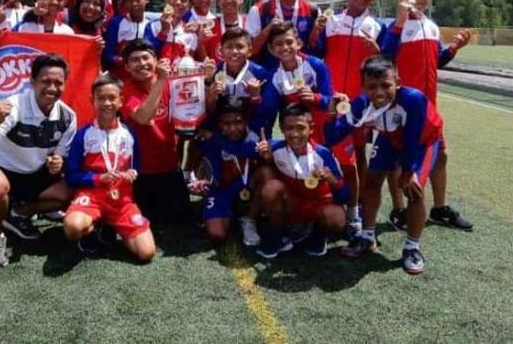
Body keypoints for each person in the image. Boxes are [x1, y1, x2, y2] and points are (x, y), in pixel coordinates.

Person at [325, 56, 443, 275]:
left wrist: (408, 171)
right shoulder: (361, 103)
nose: (379, 92)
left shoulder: (413, 99)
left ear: (398, 82)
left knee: (413, 189)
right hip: (390, 138)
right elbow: (333, 137)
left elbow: (413, 139)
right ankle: (367, 236)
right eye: (372, 87)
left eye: (386, 85)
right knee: (371, 181)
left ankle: (412, 247)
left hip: (422, 141)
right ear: (363, 87)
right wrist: (332, 112)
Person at [381, 0, 473, 231]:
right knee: (397, 160)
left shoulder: (431, 26)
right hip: (401, 107)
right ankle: (398, 210)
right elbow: (385, 60)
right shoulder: (394, 27)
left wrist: (454, 47)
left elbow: (437, 61)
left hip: (429, 108)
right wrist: (398, 23)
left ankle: (440, 208)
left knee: (440, 155)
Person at [0, 54, 77, 267]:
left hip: (31, 172)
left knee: (72, 191)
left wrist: (57, 163)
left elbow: (60, 157)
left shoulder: (68, 116)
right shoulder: (13, 106)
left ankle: (18, 213)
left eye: (58, 83)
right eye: (46, 81)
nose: (52, 88)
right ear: (33, 81)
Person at [308, 0, 386, 238]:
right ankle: (326, 197)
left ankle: (359, 203)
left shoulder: (378, 27)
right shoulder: (330, 22)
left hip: (360, 103)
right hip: (330, 101)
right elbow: (315, 54)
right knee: (325, 149)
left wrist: (377, 50)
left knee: (357, 154)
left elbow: (385, 66)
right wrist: (316, 34)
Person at [63, 74, 156, 262]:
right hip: (91, 196)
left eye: (112, 98)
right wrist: (98, 179)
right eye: (101, 98)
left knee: (146, 253)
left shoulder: (129, 133)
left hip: (122, 200)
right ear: (92, 101)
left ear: (121, 101)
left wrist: (133, 172)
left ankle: (111, 226)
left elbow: (135, 165)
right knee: (72, 228)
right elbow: (71, 176)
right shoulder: (83, 134)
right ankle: (94, 228)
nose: (107, 103)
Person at [251, 103, 350, 259]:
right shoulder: (274, 148)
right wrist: (266, 158)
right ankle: (279, 235)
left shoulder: (323, 154)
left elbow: (345, 196)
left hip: (316, 205)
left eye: (300, 128)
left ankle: (318, 234)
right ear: (282, 129)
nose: (295, 134)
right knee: (271, 187)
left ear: (311, 128)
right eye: (289, 128)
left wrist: (332, 180)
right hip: (292, 203)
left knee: (336, 217)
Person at [119, 39, 191, 224]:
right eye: (135, 60)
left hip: (170, 166)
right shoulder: (126, 91)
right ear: (126, 67)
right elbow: (142, 117)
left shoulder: (173, 82)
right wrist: (160, 80)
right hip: (142, 172)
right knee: (147, 221)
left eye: (146, 58)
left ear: (156, 60)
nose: (142, 64)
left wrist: (206, 79)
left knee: (182, 220)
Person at [194, 96, 261, 245]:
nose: (232, 128)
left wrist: (216, 139)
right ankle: (229, 212)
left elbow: (240, 149)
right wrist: (196, 180)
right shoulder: (208, 140)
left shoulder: (253, 140)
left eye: (238, 122)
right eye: (226, 123)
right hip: (220, 190)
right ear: (219, 124)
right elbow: (195, 159)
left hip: (244, 186)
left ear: (245, 121)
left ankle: (249, 218)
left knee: (266, 174)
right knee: (216, 233)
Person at [145, 0, 206, 68]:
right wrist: (163, 32)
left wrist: (200, 39)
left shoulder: (190, 34)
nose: (178, 3)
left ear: (189, 6)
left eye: (184, 0)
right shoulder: (152, 27)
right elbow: (146, 55)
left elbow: (193, 63)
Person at [103, 0, 151, 75]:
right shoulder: (116, 23)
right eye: (129, 0)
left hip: (146, 77)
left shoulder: (152, 24)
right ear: (124, 2)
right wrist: (125, 61)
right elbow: (108, 54)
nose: (134, 4)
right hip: (122, 78)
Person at [201, 0, 246, 64]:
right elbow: (203, 57)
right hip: (217, 75)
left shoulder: (250, 23)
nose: (228, 0)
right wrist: (201, 42)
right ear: (217, 1)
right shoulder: (208, 26)